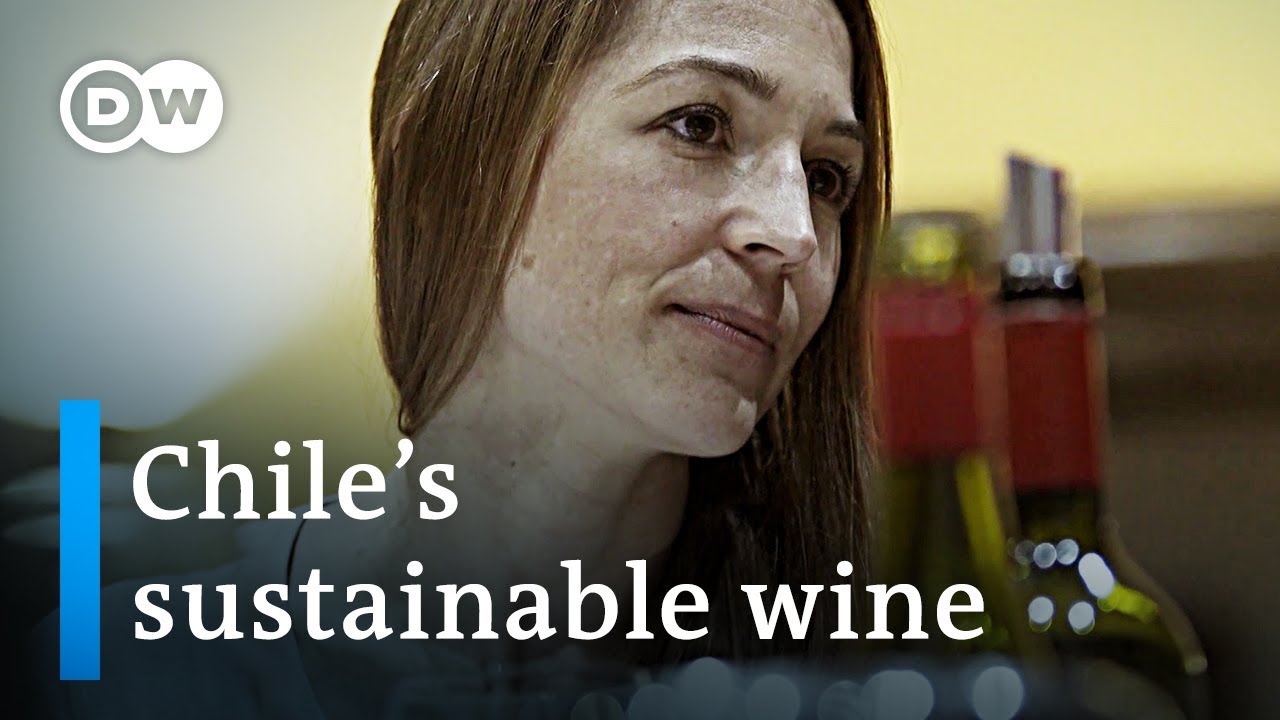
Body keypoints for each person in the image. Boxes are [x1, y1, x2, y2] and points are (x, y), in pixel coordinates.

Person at [32, 0, 891, 717]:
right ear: (462, 158)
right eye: (699, 126)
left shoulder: (880, 684)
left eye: (826, 177)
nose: (794, 234)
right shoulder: (122, 678)